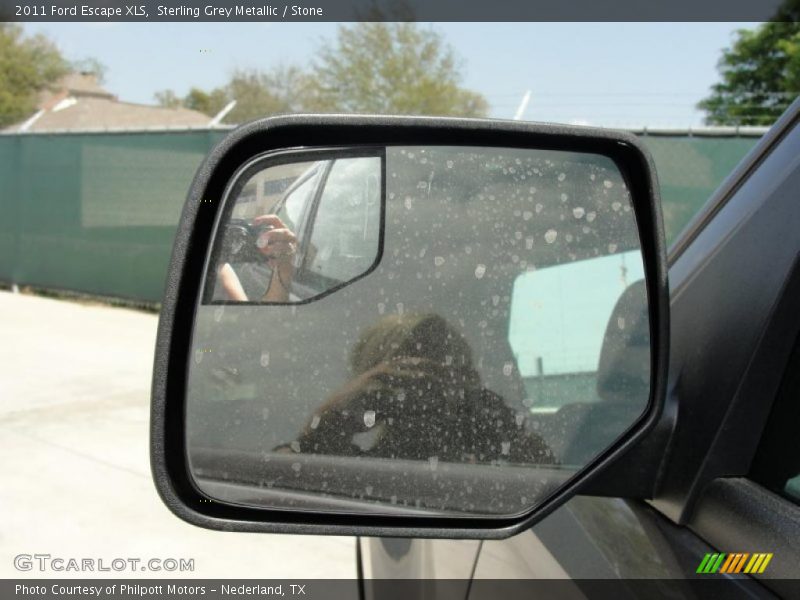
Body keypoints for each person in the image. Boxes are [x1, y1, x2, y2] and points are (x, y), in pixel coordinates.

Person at [292, 312, 554, 465]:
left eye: (452, 374)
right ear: (371, 392)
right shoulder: (363, 466)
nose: (430, 393)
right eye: (407, 380)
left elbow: (546, 475)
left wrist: (497, 421)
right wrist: (332, 417)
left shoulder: (491, 434)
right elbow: (292, 468)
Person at [216, 214, 298, 302]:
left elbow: (265, 313)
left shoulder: (220, 270)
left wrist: (284, 266)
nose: (235, 246)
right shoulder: (218, 268)